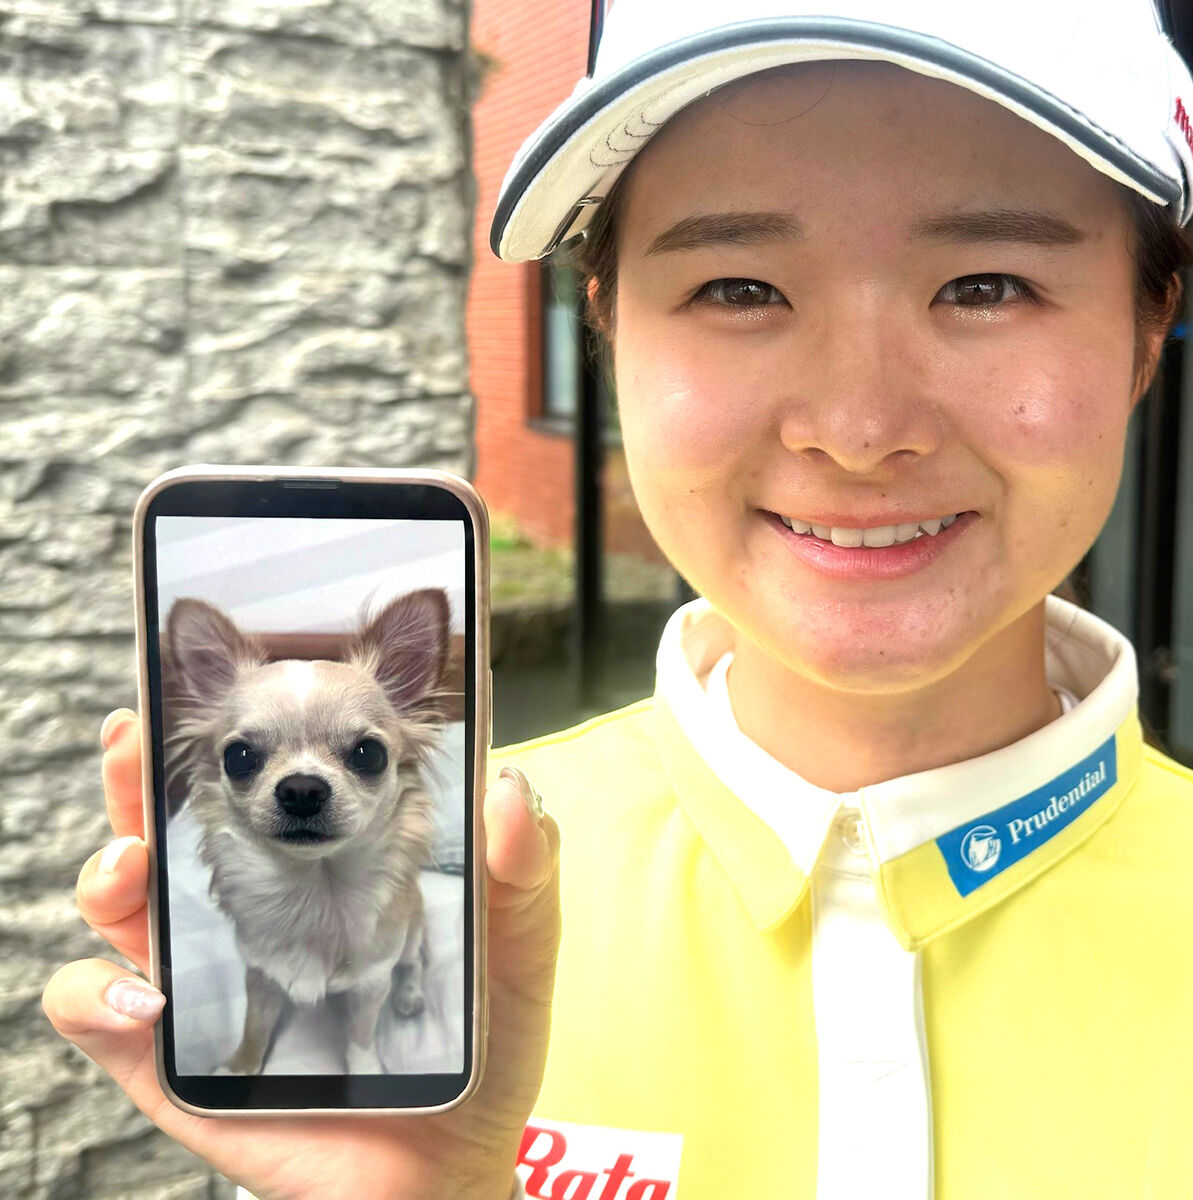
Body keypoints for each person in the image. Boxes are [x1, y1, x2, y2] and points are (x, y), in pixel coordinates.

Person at [42, 1, 1193, 1197]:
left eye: (986, 282)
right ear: (602, 323)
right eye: (738, 288)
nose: (856, 432)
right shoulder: (456, 913)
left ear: (1145, 331)